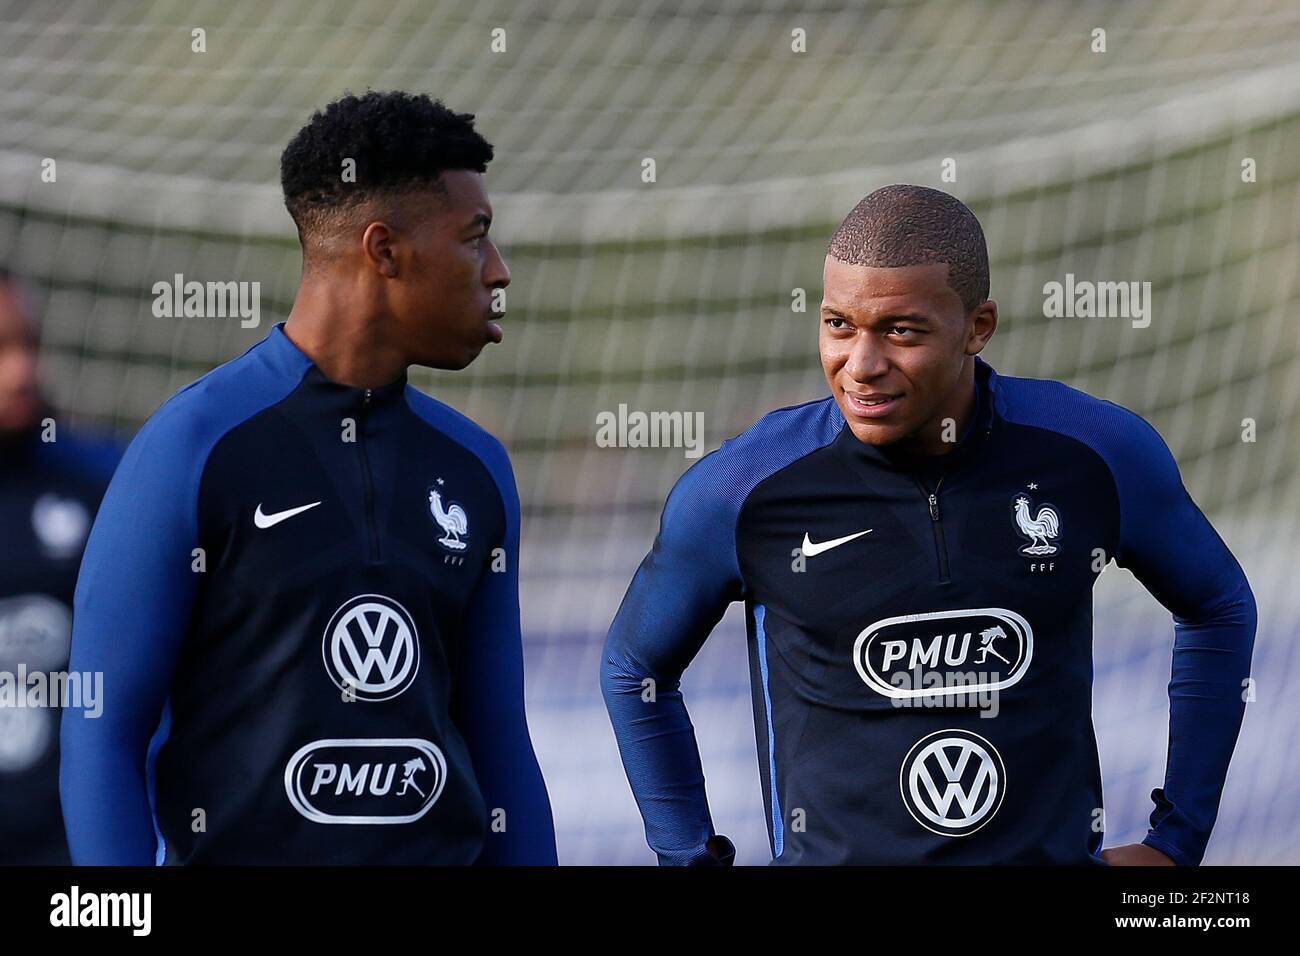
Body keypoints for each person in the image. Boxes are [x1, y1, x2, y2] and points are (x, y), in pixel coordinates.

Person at [601, 185, 1256, 866]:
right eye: (838, 325)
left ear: (978, 327)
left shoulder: (1094, 454)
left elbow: (1218, 604)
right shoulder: (744, 489)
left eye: (900, 331)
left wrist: (1175, 843)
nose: (861, 366)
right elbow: (634, 668)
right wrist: (689, 857)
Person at [61, 91, 556, 864]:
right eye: (476, 238)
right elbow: (101, 735)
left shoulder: (476, 469)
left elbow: (501, 747)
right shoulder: (193, 446)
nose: (498, 271)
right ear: (384, 250)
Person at [0, 269, 120, 864]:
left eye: (28, 345)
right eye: (1, 350)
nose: (21, 370)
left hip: (66, 853)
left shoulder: (100, 485)